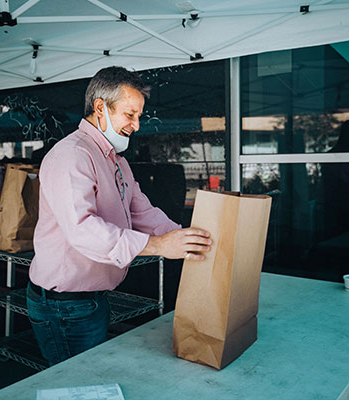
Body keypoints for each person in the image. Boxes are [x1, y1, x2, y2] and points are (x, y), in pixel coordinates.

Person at [27, 66, 212, 365]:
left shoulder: (116, 160)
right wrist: (159, 246)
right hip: (64, 306)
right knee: (79, 387)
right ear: (100, 107)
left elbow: (141, 210)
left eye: (139, 115)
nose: (136, 125)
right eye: (130, 114)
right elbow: (83, 230)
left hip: (92, 299)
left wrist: (184, 237)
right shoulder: (71, 155)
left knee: (91, 381)